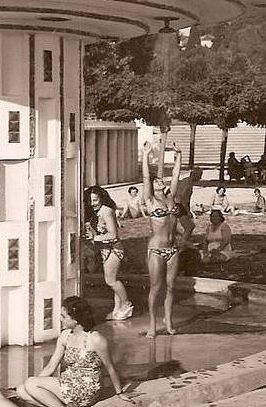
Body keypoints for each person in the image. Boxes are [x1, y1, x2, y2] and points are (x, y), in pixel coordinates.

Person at [17, 296, 134, 407]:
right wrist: (38, 384)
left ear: (76, 319)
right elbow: (51, 366)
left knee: (30, 384)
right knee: (22, 390)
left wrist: (120, 392)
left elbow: (110, 367)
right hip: (68, 382)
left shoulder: (95, 339)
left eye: (64, 316)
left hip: (87, 388)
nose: (60, 319)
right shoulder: (65, 336)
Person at [141, 141, 183, 338]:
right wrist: (146, 155)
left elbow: (175, 174)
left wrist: (178, 154)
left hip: (172, 249)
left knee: (171, 286)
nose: (160, 182)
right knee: (156, 287)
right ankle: (152, 323)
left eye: (161, 181)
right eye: (157, 181)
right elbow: (145, 176)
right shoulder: (150, 201)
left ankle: (169, 322)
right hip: (156, 249)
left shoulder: (171, 197)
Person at [84, 185, 132, 320]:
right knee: (114, 279)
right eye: (90, 201)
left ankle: (127, 305)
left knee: (111, 281)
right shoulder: (96, 213)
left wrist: (95, 238)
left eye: (95, 200)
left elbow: (113, 234)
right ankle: (117, 310)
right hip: (105, 249)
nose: (92, 204)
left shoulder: (106, 211)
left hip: (113, 248)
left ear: (101, 199)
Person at [173, 167, 203, 244]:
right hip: (180, 206)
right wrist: (188, 212)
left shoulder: (186, 180)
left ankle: (186, 240)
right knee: (189, 227)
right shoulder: (188, 185)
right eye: (199, 175)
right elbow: (184, 201)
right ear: (194, 175)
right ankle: (183, 243)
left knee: (185, 227)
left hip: (176, 205)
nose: (200, 177)